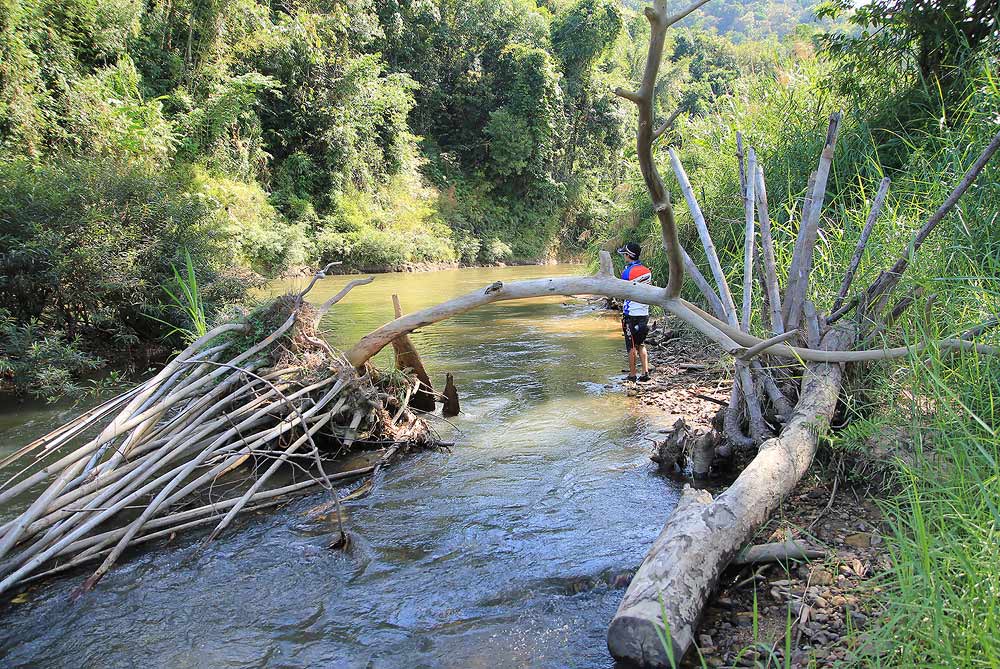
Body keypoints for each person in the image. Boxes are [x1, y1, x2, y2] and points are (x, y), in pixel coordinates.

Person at [617, 242, 652, 382]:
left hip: (631, 315)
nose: (624, 256)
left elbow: (621, 290)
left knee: (631, 347)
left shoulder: (627, 272)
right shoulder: (647, 271)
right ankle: (645, 372)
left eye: (625, 254)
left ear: (629, 255)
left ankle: (632, 375)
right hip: (644, 313)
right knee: (641, 344)